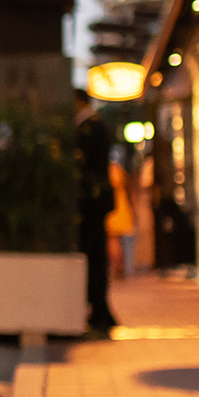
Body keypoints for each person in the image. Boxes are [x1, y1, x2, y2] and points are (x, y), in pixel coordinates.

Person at [73, 89, 117, 333]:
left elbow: (90, 166)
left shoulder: (92, 127)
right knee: (95, 254)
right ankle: (99, 309)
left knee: (93, 253)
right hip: (96, 202)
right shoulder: (94, 125)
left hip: (92, 202)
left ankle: (99, 308)